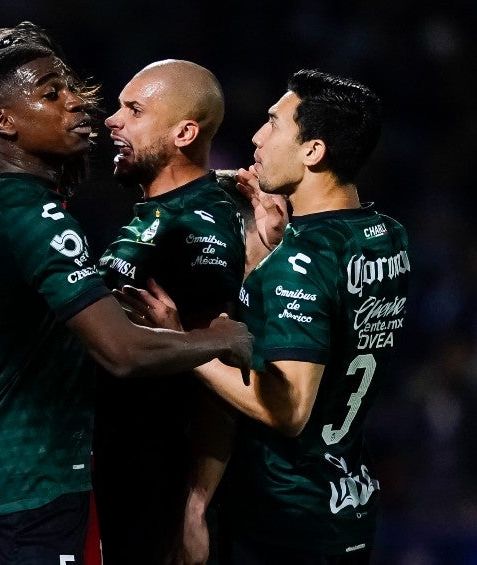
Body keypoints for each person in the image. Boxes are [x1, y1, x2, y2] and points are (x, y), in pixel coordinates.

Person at [0, 22, 252, 565]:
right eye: (52, 94)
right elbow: (120, 350)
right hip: (35, 490)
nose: (85, 108)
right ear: (3, 121)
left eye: (71, 89)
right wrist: (217, 340)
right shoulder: (36, 219)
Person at [121, 69, 409, 564]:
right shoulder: (389, 236)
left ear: (313, 151)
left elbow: (288, 409)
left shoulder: (302, 264)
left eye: (274, 124)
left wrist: (182, 343)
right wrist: (270, 253)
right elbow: (333, 320)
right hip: (348, 501)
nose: (257, 135)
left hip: (284, 517)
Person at [93, 60, 246, 565]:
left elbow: (226, 366)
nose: (112, 120)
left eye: (133, 110)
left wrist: (196, 505)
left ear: (184, 132)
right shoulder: (165, 208)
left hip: (158, 489)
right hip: (122, 473)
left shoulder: (202, 226)